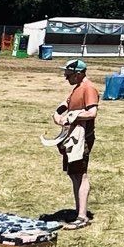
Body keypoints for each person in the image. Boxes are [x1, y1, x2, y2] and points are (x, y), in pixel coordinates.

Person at [52, 58, 100, 227]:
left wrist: (73, 116)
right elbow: (65, 103)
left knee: (81, 173)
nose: (66, 77)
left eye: (69, 74)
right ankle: (78, 211)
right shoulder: (77, 89)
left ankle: (82, 216)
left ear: (79, 74)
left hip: (82, 138)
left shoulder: (89, 88)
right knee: (73, 174)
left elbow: (92, 113)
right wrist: (58, 114)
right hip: (71, 136)